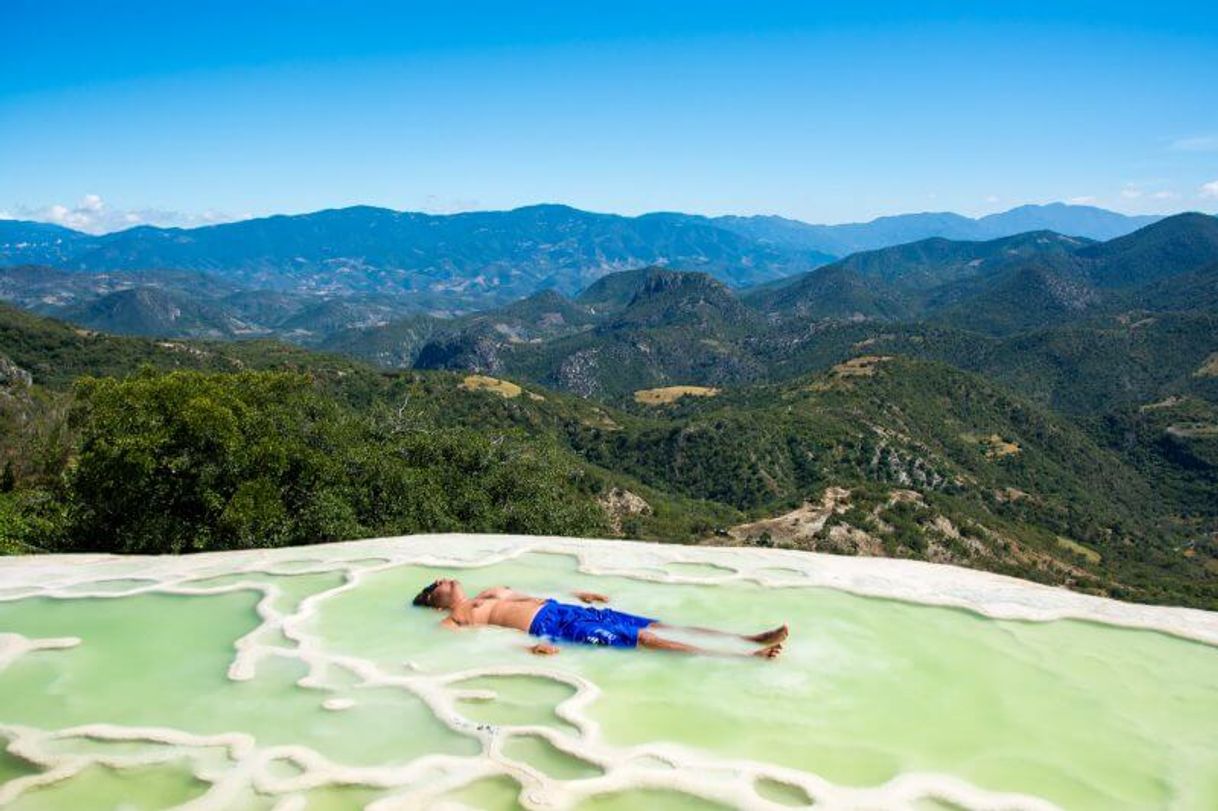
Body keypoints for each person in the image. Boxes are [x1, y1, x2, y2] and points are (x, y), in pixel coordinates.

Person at [411, 578, 786, 658]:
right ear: (434, 602)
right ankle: (739, 657)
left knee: (655, 625)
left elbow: (534, 587)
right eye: (433, 587)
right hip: (550, 628)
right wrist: (526, 646)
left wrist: (578, 593)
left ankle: (746, 638)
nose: (442, 580)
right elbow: (474, 646)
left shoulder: (489, 591)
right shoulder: (455, 619)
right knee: (639, 640)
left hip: (564, 609)